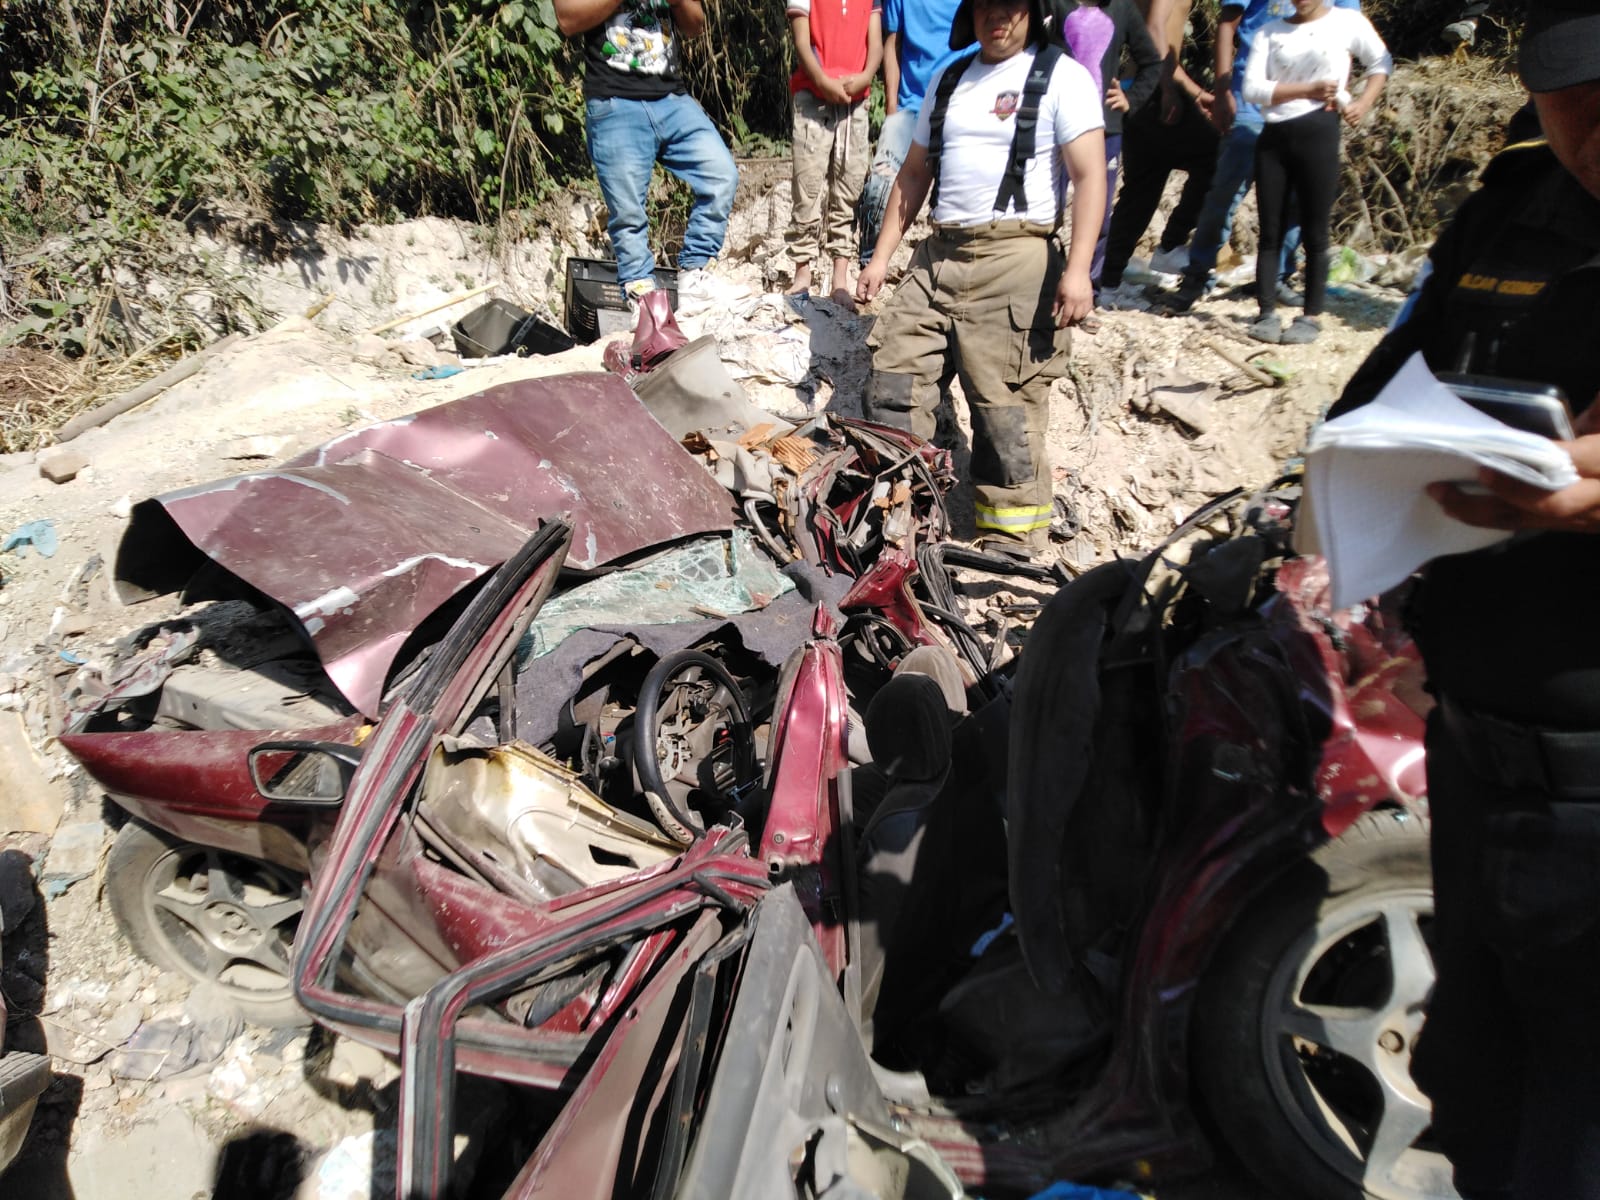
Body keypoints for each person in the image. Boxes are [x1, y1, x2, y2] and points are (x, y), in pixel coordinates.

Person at [1324, 3, 1600, 1194]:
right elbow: (1391, 381)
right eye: (1570, 96)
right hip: (1479, 756)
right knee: (1480, 1095)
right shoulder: (1517, 203)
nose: (1593, 130)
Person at [855, 0, 1105, 557]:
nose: (999, 17)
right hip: (939, 255)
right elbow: (914, 173)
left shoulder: (1062, 77)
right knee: (895, 381)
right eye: (987, 4)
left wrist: (1079, 271)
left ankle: (1010, 535)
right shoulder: (949, 78)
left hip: (1017, 257)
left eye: (1011, 5)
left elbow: (1090, 176)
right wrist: (880, 259)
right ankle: (905, 515)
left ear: (1033, 10)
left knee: (1005, 407)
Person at [1165, 0, 1363, 315]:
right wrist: (1223, 89)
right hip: (1250, 104)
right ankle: (1197, 274)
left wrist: (1339, 99)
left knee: (1296, 201)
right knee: (1224, 194)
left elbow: (1347, 42)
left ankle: (1276, 278)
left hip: (1306, 112)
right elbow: (1228, 25)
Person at [554, 0, 739, 314]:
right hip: (614, 101)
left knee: (721, 174)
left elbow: (695, 25)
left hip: (672, 99)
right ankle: (643, 303)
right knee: (628, 214)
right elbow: (568, 19)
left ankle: (695, 277)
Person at [1238, 0, 1389, 344]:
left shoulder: (1347, 22)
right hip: (1274, 137)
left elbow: (1380, 61)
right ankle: (1266, 312)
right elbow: (1252, 89)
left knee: (1315, 230)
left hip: (1320, 131)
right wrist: (1308, 90)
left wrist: (1363, 103)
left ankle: (1311, 315)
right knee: (1271, 230)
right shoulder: (1269, 31)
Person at [1094, 0, 1219, 308]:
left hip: (1140, 84)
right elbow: (1154, 28)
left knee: (1142, 189)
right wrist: (1175, 89)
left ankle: (1108, 281)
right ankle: (1170, 246)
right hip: (1156, 87)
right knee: (1216, 156)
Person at [1051, 0, 1161, 302]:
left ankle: (1091, 289)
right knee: (1049, 206)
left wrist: (1131, 99)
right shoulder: (1054, 4)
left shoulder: (1122, 9)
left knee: (1098, 214)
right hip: (1053, 124)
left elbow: (1152, 62)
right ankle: (1045, 279)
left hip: (1104, 128)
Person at [856, 0, 968, 268]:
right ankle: (870, 265)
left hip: (961, 103)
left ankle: (943, 268)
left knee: (951, 198)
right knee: (878, 190)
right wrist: (892, 107)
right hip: (911, 107)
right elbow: (893, 42)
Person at [785, 0, 884, 307]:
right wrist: (821, 80)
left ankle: (840, 278)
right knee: (807, 185)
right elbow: (801, 40)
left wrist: (866, 76)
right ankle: (802, 272)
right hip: (812, 97)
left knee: (848, 187)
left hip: (856, 101)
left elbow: (876, 44)